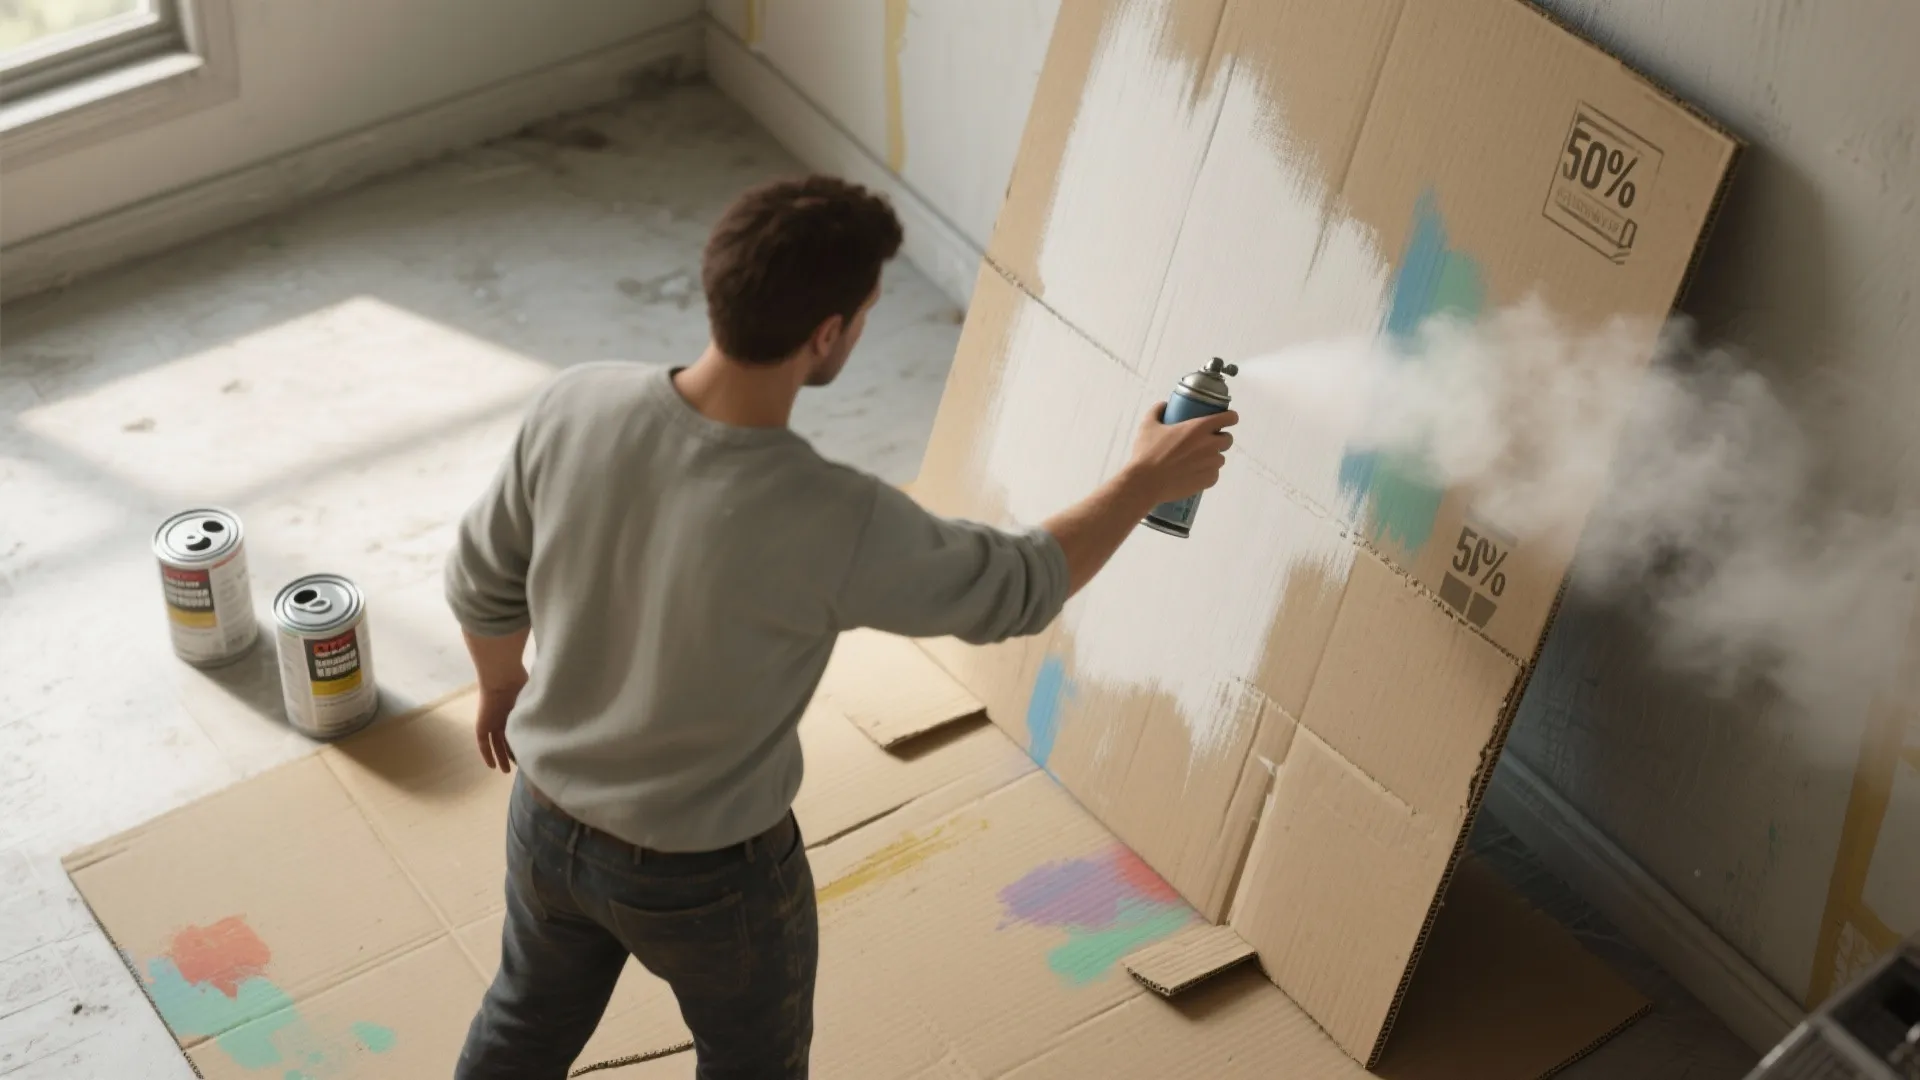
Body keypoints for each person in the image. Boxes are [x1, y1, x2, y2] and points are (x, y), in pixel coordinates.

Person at [444, 174, 1236, 1080]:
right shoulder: (831, 517)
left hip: (545, 822)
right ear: (828, 335)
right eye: (863, 314)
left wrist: (504, 686)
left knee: (524, 1020)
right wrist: (1143, 481)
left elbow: (479, 580)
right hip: (705, 876)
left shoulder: (574, 405)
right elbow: (1018, 588)